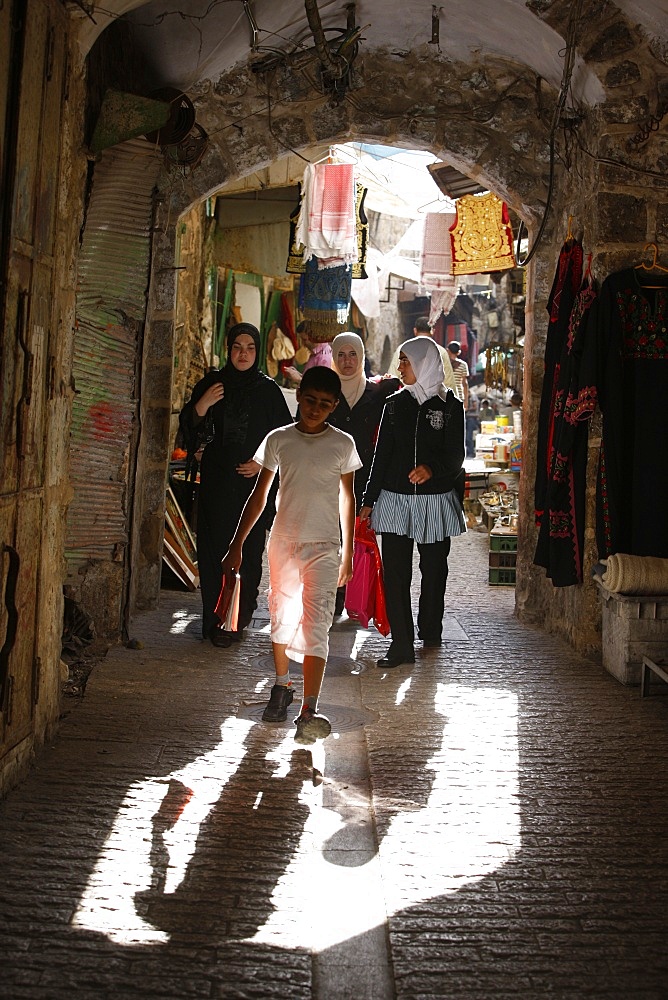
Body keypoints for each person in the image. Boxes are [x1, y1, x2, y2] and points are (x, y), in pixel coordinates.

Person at [221, 366, 361, 744]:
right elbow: (259, 496)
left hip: (325, 546)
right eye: (310, 401)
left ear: (334, 407)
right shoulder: (278, 439)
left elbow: (347, 499)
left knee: (317, 625)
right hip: (282, 543)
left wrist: (348, 552)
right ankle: (281, 685)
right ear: (298, 397)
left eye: (325, 405)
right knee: (281, 617)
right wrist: (236, 545)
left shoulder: (343, 444)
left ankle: (309, 708)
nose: (315, 410)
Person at [179, 323, 292, 648]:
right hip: (217, 485)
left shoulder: (268, 391)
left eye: (250, 348)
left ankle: (236, 621)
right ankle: (214, 621)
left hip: (252, 490)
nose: (243, 353)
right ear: (228, 349)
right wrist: (203, 404)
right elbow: (187, 430)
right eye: (237, 347)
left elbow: (285, 437)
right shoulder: (213, 384)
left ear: (257, 352)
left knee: (248, 553)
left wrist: (261, 462)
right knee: (214, 553)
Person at [360, 337, 466, 669]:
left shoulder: (450, 406)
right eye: (401, 361)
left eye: (406, 361)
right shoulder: (394, 404)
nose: (400, 368)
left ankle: (430, 630)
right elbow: (381, 457)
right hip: (396, 500)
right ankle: (401, 645)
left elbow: (456, 456)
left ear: (424, 364)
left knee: (434, 570)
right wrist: (368, 500)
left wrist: (432, 470)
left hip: (435, 501)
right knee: (396, 574)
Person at [327, 332, 401, 614]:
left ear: (362, 357)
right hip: (329, 477)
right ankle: (333, 597)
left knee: (358, 539)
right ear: (334, 358)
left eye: (353, 354)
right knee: (331, 536)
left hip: (365, 478)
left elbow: (401, 385)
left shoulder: (377, 392)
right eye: (342, 355)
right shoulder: (327, 391)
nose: (347, 361)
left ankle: (355, 597)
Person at [386, 316, 456, 393]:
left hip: (408, 399)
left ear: (415, 330)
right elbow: (448, 382)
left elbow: (392, 377)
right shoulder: (441, 352)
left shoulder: (402, 349)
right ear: (432, 331)